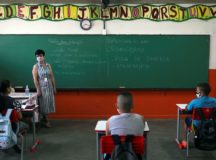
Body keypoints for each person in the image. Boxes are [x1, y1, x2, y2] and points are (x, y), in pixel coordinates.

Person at [105, 92, 145, 160]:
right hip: (135, 155)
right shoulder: (140, 118)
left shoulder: (110, 120)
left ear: (116, 106)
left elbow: (108, 137)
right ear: (132, 106)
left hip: (115, 155)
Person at [0, 80, 28, 153]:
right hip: (11, 127)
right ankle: (14, 144)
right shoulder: (14, 101)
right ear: (7, 89)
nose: (11, 88)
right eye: (10, 86)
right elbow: (20, 117)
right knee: (26, 126)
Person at [32, 49, 56, 128]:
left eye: (40, 56)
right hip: (41, 87)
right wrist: (38, 89)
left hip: (49, 86)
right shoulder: (35, 67)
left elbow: (51, 76)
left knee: (48, 103)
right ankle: (45, 119)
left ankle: (44, 119)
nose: (39, 57)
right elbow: (35, 79)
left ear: (43, 56)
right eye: (37, 56)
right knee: (43, 104)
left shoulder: (48, 65)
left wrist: (54, 87)